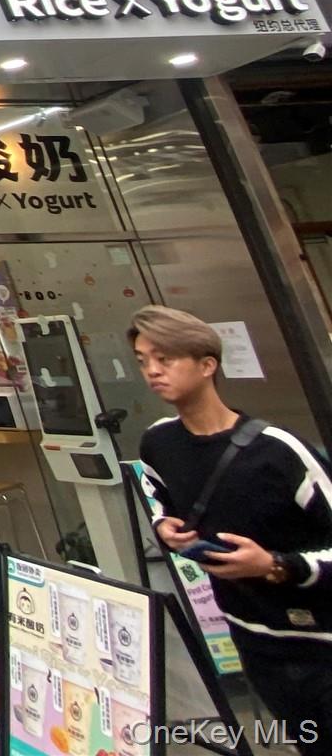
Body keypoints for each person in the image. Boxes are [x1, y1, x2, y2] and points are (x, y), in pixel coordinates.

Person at [130, 306, 330, 748]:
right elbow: (160, 499)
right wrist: (165, 528)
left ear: (207, 365)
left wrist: (276, 565)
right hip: (253, 638)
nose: (152, 371)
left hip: (321, 640)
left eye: (165, 359)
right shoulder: (159, 442)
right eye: (143, 361)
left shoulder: (279, 451)